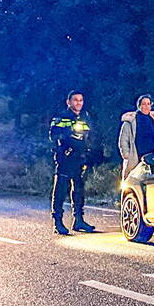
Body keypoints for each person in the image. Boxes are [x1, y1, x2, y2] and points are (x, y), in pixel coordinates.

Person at [48, 90, 97, 236]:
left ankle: (79, 220)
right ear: (68, 102)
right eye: (75, 100)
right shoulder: (61, 117)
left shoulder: (85, 117)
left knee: (79, 190)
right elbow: (54, 136)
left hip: (80, 158)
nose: (78, 103)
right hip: (66, 158)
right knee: (61, 190)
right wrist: (64, 147)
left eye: (81, 100)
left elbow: (90, 135)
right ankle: (58, 222)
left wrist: (89, 151)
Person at [118, 95, 154, 178]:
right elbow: (123, 141)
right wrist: (127, 155)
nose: (146, 106)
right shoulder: (129, 122)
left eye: (148, 104)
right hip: (137, 159)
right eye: (144, 104)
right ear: (139, 106)